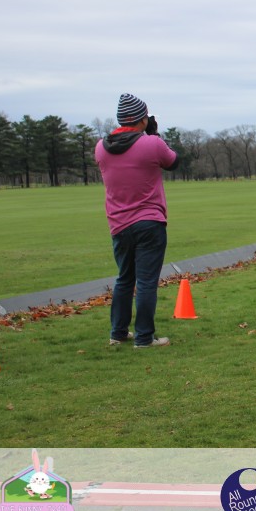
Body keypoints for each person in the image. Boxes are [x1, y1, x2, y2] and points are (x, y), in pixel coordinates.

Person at [95, 93, 179, 348]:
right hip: (149, 221)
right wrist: (154, 134)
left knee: (124, 279)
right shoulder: (152, 143)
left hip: (118, 224)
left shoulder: (101, 147)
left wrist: (147, 133)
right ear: (143, 119)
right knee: (146, 282)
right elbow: (173, 162)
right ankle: (144, 337)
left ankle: (118, 333)